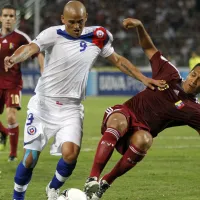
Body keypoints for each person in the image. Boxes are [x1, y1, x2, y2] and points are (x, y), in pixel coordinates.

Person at [4, 2, 166, 200]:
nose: (76, 26)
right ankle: (17, 197)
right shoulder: (51, 34)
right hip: (43, 105)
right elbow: (30, 48)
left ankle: (53, 189)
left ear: (86, 17)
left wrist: (143, 78)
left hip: (71, 107)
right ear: (63, 20)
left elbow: (118, 60)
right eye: (71, 22)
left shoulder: (98, 36)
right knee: (30, 159)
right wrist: (13, 58)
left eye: (80, 22)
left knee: (71, 155)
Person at [84, 17, 200, 200]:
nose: (194, 80)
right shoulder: (170, 73)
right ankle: (92, 178)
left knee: (145, 140)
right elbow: (149, 48)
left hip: (142, 130)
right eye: (194, 74)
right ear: (190, 72)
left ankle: (104, 183)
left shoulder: (194, 109)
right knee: (119, 121)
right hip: (125, 113)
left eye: (199, 80)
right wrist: (140, 26)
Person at [0, 4, 44, 161]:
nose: (8, 19)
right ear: (0, 18)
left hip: (13, 83)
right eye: (5, 16)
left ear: (15, 19)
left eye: (11, 16)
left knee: (11, 116)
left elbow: (37, 52)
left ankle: (13, 153)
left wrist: (43, 71)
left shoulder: (20, 37)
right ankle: (4, 132)